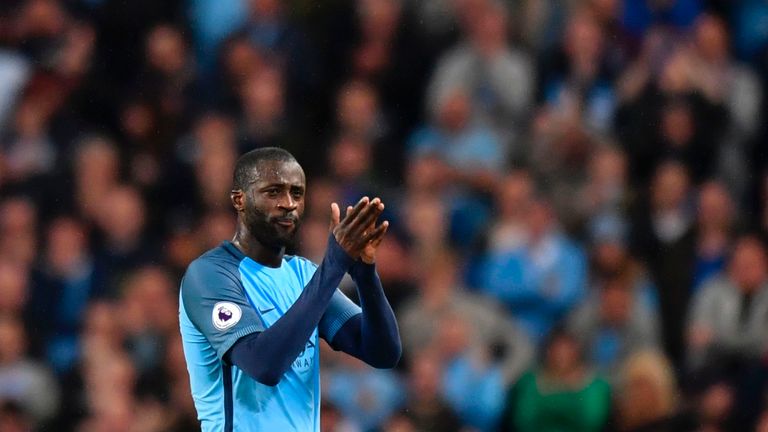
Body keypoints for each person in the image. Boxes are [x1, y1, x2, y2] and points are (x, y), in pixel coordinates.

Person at [179, 147, 402, 431]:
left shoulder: (304, 275)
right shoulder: (211, 275)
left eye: (297, 194)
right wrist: (333, 267)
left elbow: (383, 352)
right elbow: (263, 365)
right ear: (239, 199)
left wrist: (364, 274)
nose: (288, 204)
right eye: (273, 192)